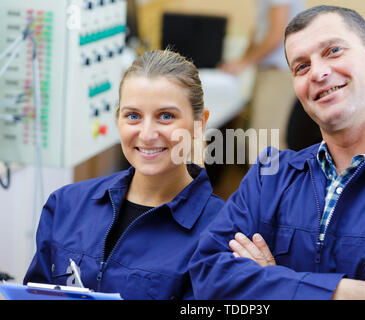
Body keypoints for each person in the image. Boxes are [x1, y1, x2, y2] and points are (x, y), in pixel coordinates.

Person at [189, 6, 365, 300]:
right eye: (301, 66)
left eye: (334, 51)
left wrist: (270, 280)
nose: (319, 72)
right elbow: (207, 272)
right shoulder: (269, 174)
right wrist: (360, 293)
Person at [24, 49, 225, 300]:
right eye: (133, 116)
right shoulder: (65, 205)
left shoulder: (221, 232)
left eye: (166, 116)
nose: (147, 134)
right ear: (118, 118)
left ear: (200, 123)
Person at [219, 0, 303, 150]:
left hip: (278, 72)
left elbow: (278, 32)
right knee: (257, 141)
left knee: (263, 144)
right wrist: (241, 62)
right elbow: (261, 28)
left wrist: (244, 63)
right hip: (267, 70)